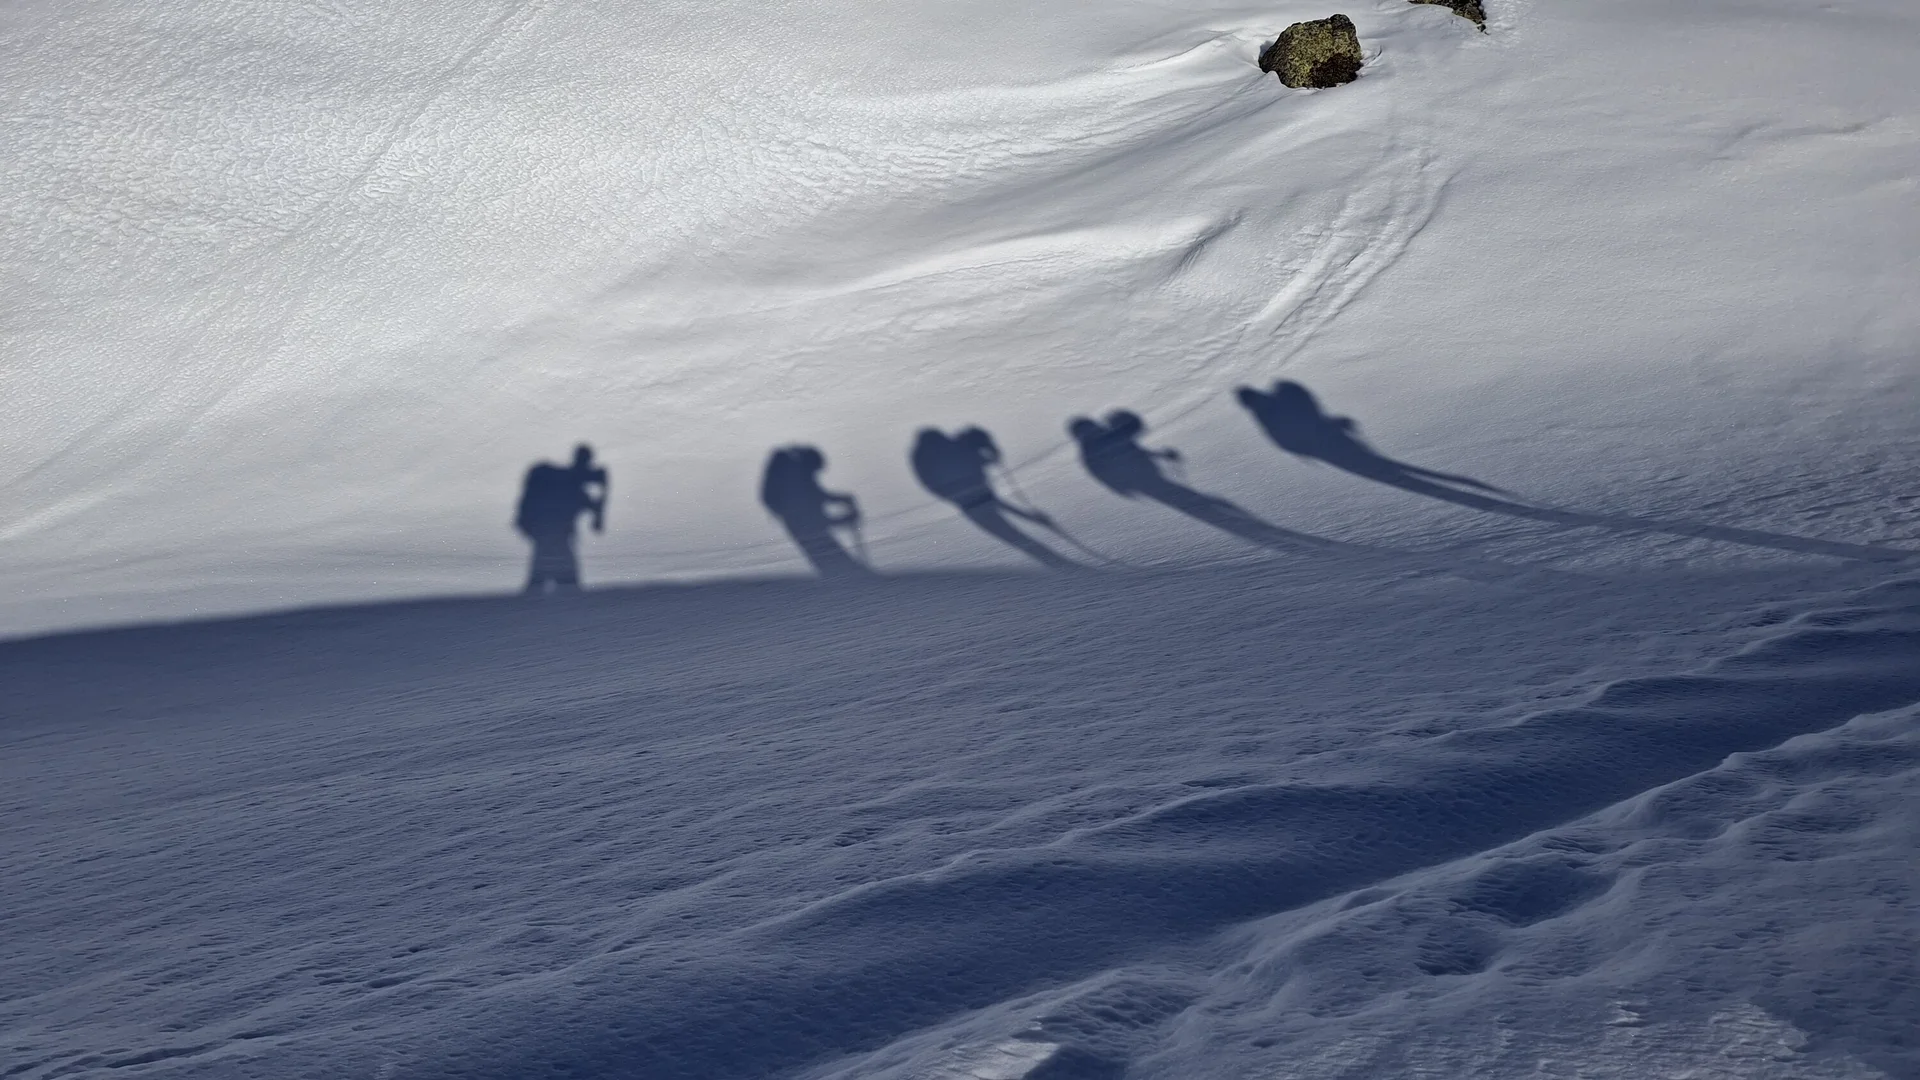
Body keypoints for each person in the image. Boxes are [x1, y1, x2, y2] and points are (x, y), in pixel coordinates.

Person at [909, 427, 1078, 570]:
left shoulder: (925, 457)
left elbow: (932, 482)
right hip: (979, 495)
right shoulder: (953, 448)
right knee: (1014, 532)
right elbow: (982, 460)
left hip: (968, 502)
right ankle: (1057, 554)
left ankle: (1058, 563)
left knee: (1015, 538)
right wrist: (989, 454)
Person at [759, 445, 872, 578]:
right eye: (814, 471)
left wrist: (842, 499)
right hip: (809, 535)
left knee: (839, 567)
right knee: (838, 569)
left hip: (807, 532)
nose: (814, 475)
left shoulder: (799, 478)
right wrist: (845, 518)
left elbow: (818, 496)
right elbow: (816, 520)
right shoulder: (797, 485)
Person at [514, 444, 608, 594]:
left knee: (544, 582)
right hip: (550, 536)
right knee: (562, 584)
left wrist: (604, 491)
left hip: (552, 537)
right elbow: (597, 520)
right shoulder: (562, 480)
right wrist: (602, 487)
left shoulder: (574, 488)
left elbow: (597, 520)